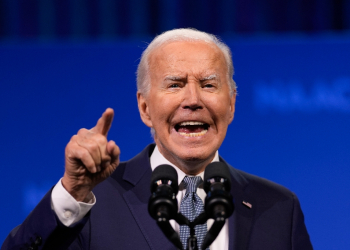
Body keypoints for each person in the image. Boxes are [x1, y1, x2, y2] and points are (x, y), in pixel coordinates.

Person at [1, 28, 313, 250]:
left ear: (231, 105)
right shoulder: (93, 201)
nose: (192, 99)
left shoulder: (279, 207)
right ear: (145, 107)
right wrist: (72, 192)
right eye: (175, 84)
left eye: (208, 84)